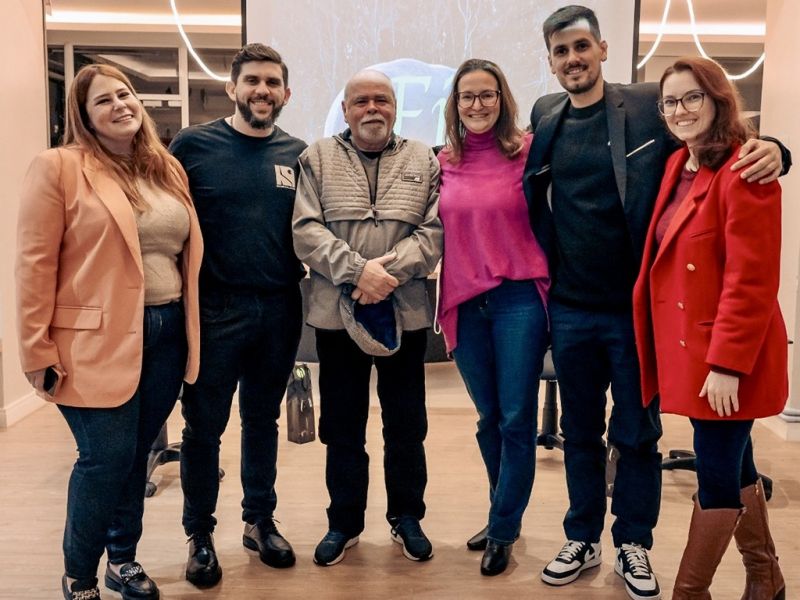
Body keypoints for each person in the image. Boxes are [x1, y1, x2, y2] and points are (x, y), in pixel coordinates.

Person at [523, 6, 789, 600]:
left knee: (637, 434)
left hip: (634, 313)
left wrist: (776, 148)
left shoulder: (646, 103)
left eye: (582, 46)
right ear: (549, 60)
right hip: (570, 307)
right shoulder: (545, 114)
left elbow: (724, 137)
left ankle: (634, 545)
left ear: (603, 49)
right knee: (581, 431)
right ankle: (582, 536)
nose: (573, 59)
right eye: (560, 51)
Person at [16, 64, 202, 600]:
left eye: (125, 94)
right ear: (84, 116)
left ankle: (122, 560)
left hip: (166, 331)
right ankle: (79, 576)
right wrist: (35, 348)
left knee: (137, 450)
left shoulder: (164, 168)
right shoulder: (59, 167)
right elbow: (34, 264)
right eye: (104, 101)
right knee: (105, 459)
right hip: (92, 341)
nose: (120, 105)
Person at [633, 56, 787, 600]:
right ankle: (765, 577)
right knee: (736, 459)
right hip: (689, 347)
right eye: (670, 101)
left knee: (717, 478)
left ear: (718, 99)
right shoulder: (679, 164)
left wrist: (727, 364)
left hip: (723, 356)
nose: (679, 110)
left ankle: (689, 592)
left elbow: (752, 279)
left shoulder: (746, 169)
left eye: (692, 97)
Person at [168, 44, 306, 586]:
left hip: (279, 306)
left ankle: (259, 520)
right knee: (203, 428)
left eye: (272, 82)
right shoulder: (192, 146)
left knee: (262, 420)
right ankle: (199, 534)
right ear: (233, 88)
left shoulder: (299, 153)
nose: (262, 91)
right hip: (214, 309)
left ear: (286, 93)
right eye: (252, 80)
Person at [292, 69, 442, 567]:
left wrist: (385, 274)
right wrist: (358, 271)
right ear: (346, 108)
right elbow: (306, 231)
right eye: (361, 101)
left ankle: (407, 517)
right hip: (337, 318)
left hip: (407, 313)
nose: (372, 108)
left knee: (406, 423)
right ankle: (344, 522)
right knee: (342, 424)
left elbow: (435, 231)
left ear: (395, 107)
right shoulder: (315, 157)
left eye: (382, 100)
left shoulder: (425, 157)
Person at [435, 58, 549, 576]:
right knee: (488, 421)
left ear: (502, 99)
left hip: (518, 299)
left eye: (486, 95)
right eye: (467, 97)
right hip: (464, 303)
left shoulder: (528, 152)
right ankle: (502, 510)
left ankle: (503, 527)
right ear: (454, 106)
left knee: (516, 419)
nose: (477, 105)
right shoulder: (442, 162)